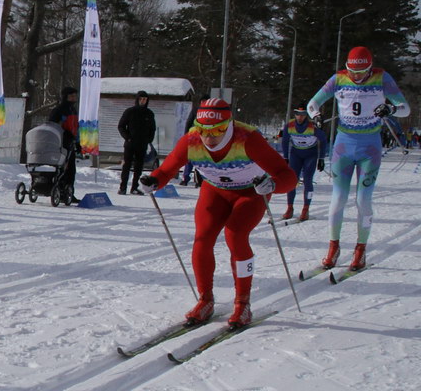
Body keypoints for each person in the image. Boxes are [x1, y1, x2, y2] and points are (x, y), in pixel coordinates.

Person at [139, 98, 297, 328]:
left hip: (250, 193)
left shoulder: (248, 139)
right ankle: (205, 299)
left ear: (230, 125)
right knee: (202, 239)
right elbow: (166, 170)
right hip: (215, 191)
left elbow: (288, 176)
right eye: (203, 130)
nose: (209, 137)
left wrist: (273, 184)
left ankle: (242, 303)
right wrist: (153, 181)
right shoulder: (191, 140)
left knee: (236, 235)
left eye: (218, 130)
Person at [306, 45, 411, 270]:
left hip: (369, 148)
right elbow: (312, 103)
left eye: (361, 73)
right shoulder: (338, 79)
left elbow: (405, 109)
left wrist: (390, 110)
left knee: (363, 200)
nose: (357, 77)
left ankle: (360, 250)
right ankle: (333, 247)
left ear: (370, 69)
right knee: (338, 199)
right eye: (353, 72)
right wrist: (315, 116)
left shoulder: (382, 78)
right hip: (344, 146)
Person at [279, 103, 328, 221]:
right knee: (292, 181)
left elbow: (324, 141)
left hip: (310, 154)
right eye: (297, 114)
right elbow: (285, 141)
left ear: (306, 115)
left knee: (307, 180)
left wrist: (321, 158)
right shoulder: (289, 126)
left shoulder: (313, 127)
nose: (300, 117)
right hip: (296, 154)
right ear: (294, 114)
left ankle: (306, 209)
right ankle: (290, 208)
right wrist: (285, 157)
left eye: (302, 114)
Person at [117, 90, 157, 195]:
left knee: (138, 167)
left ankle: (134, 187)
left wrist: (149, 139)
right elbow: (121, 126)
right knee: (126, 166)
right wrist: (127, 137)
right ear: (137, 99)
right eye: (141, 99)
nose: (143, 101)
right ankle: (123, 187)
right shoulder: (130, 111)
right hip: (130, 144)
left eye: (145, 99)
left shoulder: (149, 113)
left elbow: (153, 129)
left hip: (142, 144)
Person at [47, 85, 81, 204]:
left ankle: (69, 192)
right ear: (65, 97)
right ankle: (60, 191)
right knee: (62, 169)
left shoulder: (73, 110)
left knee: (71, 170)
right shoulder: (59, 110)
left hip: (70, 143)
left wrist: (78, 142)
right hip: (61, 143)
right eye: (71, 96)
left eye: (74, 96)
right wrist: (65, 135)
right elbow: (52, 126)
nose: (73, 98)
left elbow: (76, 128)